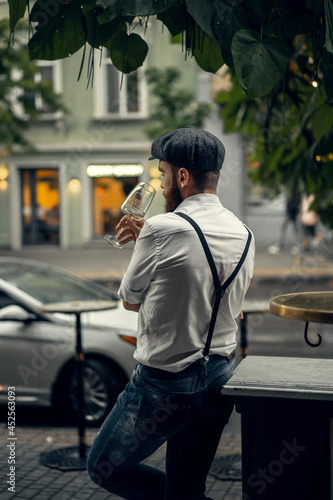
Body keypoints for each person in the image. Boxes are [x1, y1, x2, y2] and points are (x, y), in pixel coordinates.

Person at [87, 127, 255, 500]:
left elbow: (130, 299)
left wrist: (146, 243)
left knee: (102, 467)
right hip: (220, 377)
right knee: (186, 485)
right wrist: (154, 239)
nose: (161, 185)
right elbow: (225, 300)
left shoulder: (162, 229)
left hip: (164, 385)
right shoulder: (244, 232)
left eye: (162, 174)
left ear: (182, 176)